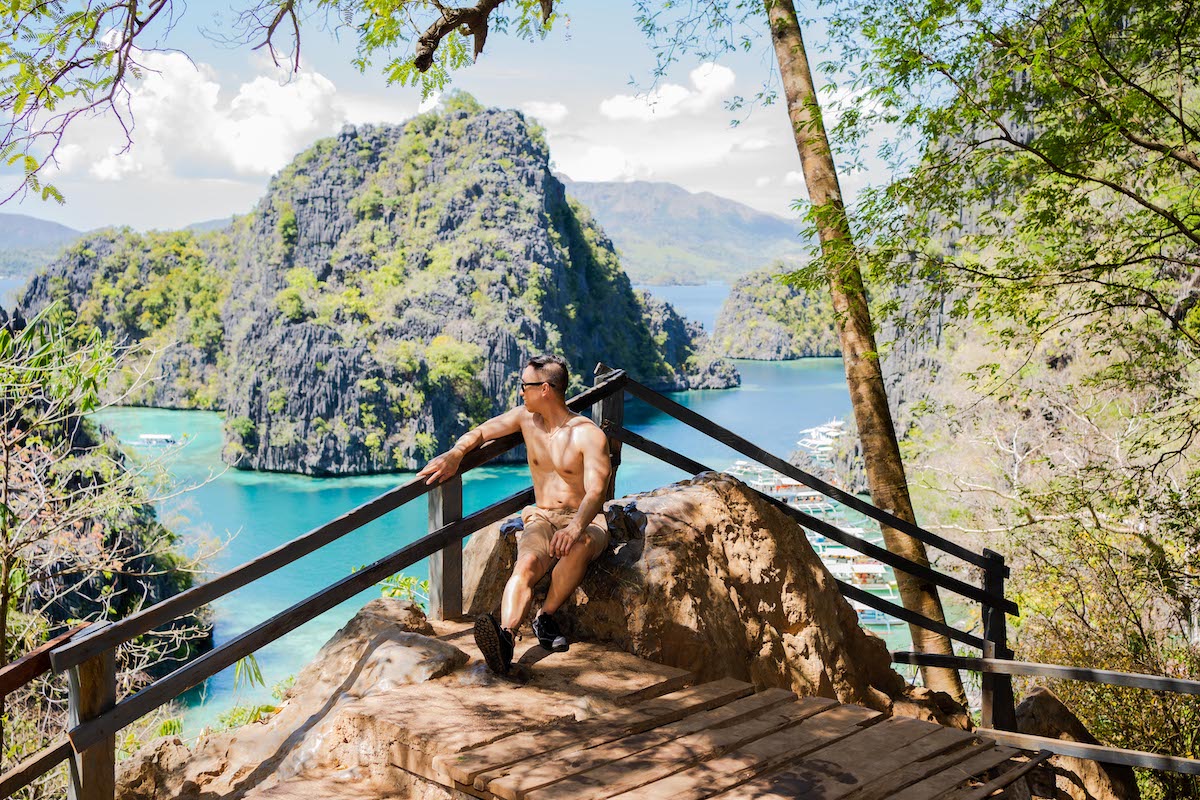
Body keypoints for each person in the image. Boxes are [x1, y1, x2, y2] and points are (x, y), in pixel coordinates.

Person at [416, 354, 612, 675]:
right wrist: (456, 453)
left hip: (585, 519)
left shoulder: (587, 434)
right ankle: (505, 638)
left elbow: (596, 492)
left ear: (545, 388)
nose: (521, 392)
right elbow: (481, 433)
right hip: (543, 516)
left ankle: (544, 617)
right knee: (526, 566)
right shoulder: (525, 419)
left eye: (525, 386)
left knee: (579, 546)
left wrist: (576, 527)